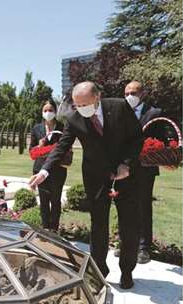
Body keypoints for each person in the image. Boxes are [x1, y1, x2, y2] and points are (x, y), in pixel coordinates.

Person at [29, 81, 144, 290]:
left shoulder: (119, 107)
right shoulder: (74, 119)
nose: (81, 109)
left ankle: (127, 271)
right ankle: (99, 272)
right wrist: (44, 171)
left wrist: (126, 164)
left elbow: (136, 138)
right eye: (76, 105)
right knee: (98, 224)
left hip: (125, 175)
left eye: (85, 104)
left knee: (129, 225)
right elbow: (61, 146)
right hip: (95, 177)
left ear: (97, 97)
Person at [122, 81, 172, 264]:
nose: (129, 96)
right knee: (126, 207)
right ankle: (127, 244)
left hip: (145, 169)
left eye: (133, 92)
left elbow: (163, 140)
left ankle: (143, 247)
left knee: (143, 206)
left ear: (142, 94)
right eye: (126, 92)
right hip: (124, 169)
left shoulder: (154, 113)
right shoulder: (121, 113)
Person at [29, 101, 68, 231]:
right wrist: (39, 146)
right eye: (45, 110)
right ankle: (45, 229)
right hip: (39, 169)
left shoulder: (63, 127)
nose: (48, 113)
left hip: (58, 170)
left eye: (50, 110)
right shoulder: (37, 128)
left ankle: (54, 230)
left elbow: (65, 148)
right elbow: (31, 151)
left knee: (55, 200)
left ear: (55, 111)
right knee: (44, 201)